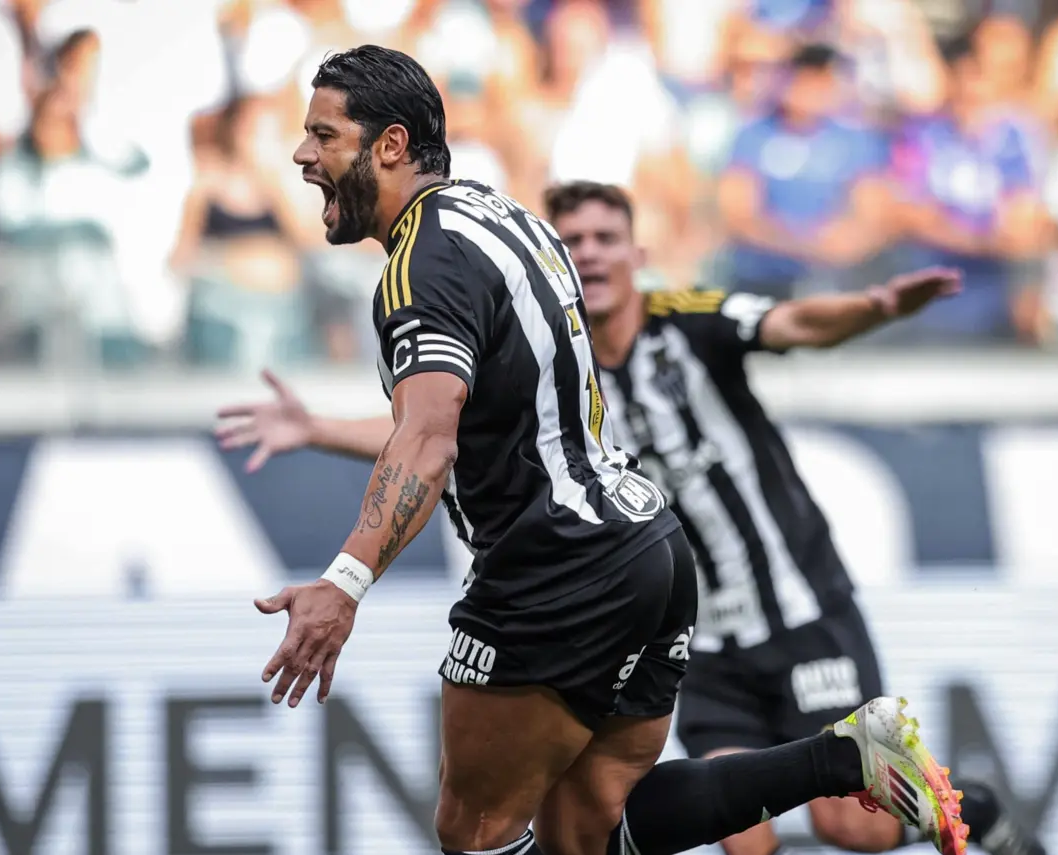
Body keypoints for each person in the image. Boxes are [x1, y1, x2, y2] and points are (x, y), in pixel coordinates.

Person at [221, 45, 968, 855]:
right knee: (588, 825)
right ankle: (843, 753)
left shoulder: (421, 266)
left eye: (322, 135)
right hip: (648, 548)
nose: (302, 155)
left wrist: (345, 582)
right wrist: (324, 429)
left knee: (474, 832)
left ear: (390, 145)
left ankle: (844, 755)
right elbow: (476, 423)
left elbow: (430, 441)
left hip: (553, 565)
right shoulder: (504, 218)